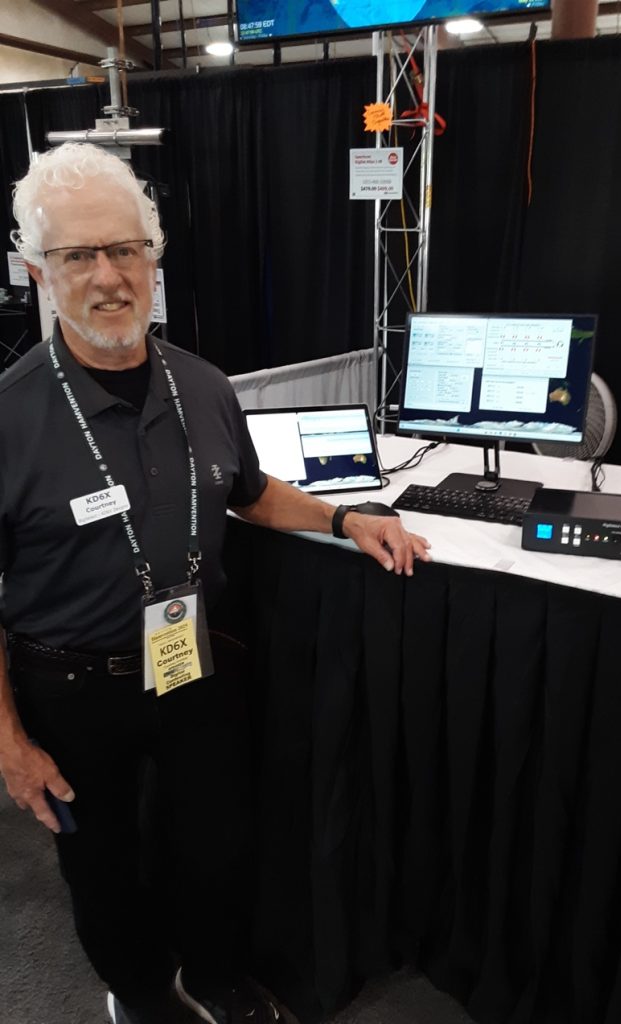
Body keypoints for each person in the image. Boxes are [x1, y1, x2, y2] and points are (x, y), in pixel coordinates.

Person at [0, 143, 430, 1024]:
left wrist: (347, 521)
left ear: (154, 260)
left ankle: (217, 975)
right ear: (40, 271)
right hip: (70, 688)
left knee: (213, 844)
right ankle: (143, 992)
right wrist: (7, 742)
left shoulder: (202, 384)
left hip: (192, 663)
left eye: (126, 249)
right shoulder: (9, 415)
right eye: (79, 255)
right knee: (102, 862)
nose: (109, 275)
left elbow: (250, 493)